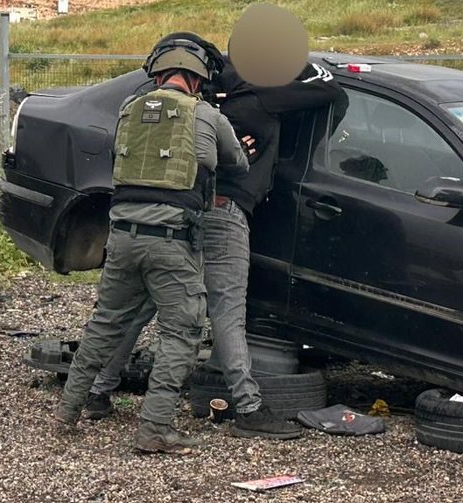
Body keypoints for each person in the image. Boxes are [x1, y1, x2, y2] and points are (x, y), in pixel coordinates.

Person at [56, 35, 248, 454]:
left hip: (122, 238)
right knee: (182, 333)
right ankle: (155, 429)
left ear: (157, 73)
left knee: (104, 325)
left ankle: (68, 410)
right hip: (172, 243)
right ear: (199, 80)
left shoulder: (129, 109)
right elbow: (238, 162)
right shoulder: (208, 117)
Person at [204, 56, 346, 439]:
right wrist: (301, 64)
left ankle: (94, 391)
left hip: (183, 208)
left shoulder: (207, 98)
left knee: (139, 305)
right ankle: (249, 409)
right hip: (224, 211)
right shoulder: (263, 94)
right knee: (228, 312)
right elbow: (330, 89)